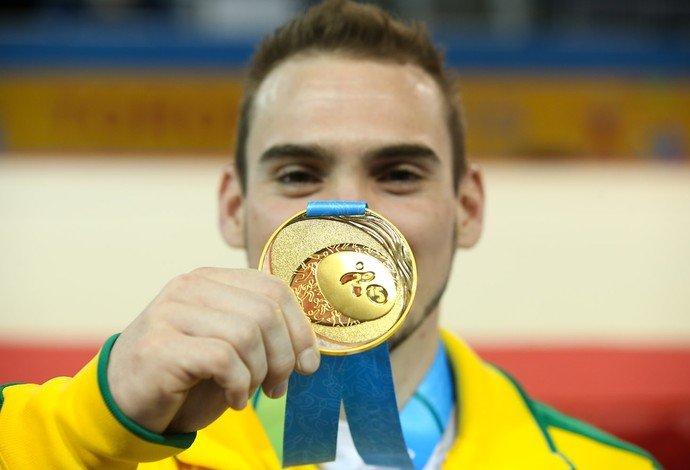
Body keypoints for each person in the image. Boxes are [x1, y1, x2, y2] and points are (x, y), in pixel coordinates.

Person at [0, 1, 660, 468]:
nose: (345, 216)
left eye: (398, 174)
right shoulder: (103, 441)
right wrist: (95, 424)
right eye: (298, 174)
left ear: (467, 207)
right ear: (234, 207)